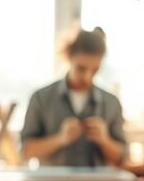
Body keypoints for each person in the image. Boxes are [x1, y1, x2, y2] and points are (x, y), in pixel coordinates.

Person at [21, 27, 126, 167]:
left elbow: (122, 157)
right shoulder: (40, 98)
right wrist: (60, 139)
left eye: (95, 69)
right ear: (68, 57)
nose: (87, 76)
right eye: (81, 68)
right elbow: (26, 151)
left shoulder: (112, 103)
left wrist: (104, 140)